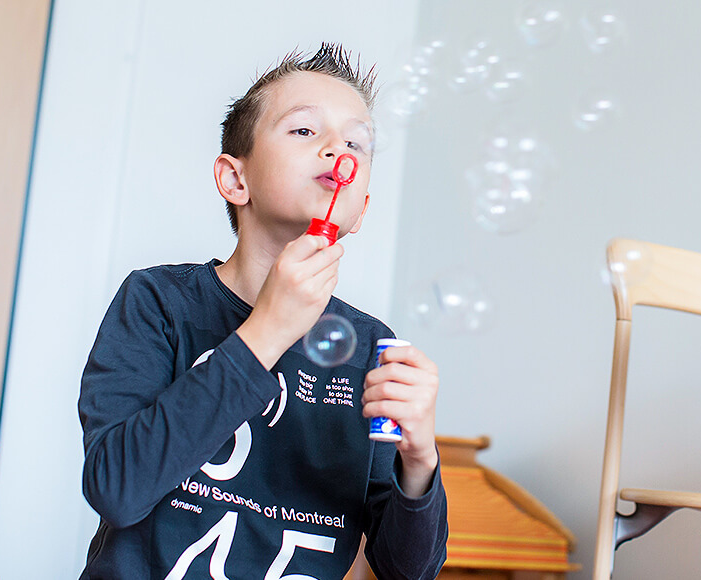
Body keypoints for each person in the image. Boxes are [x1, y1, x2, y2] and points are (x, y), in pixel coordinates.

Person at [77, 43, 448, 580]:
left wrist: (419, 462)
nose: (337, 150)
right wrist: (268, 329)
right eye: (304, 130)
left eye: (355, 142)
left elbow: (406, 571)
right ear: (236, 179)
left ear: (361, 209)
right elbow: (117, 489)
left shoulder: (369, 349)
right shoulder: (159, 302)